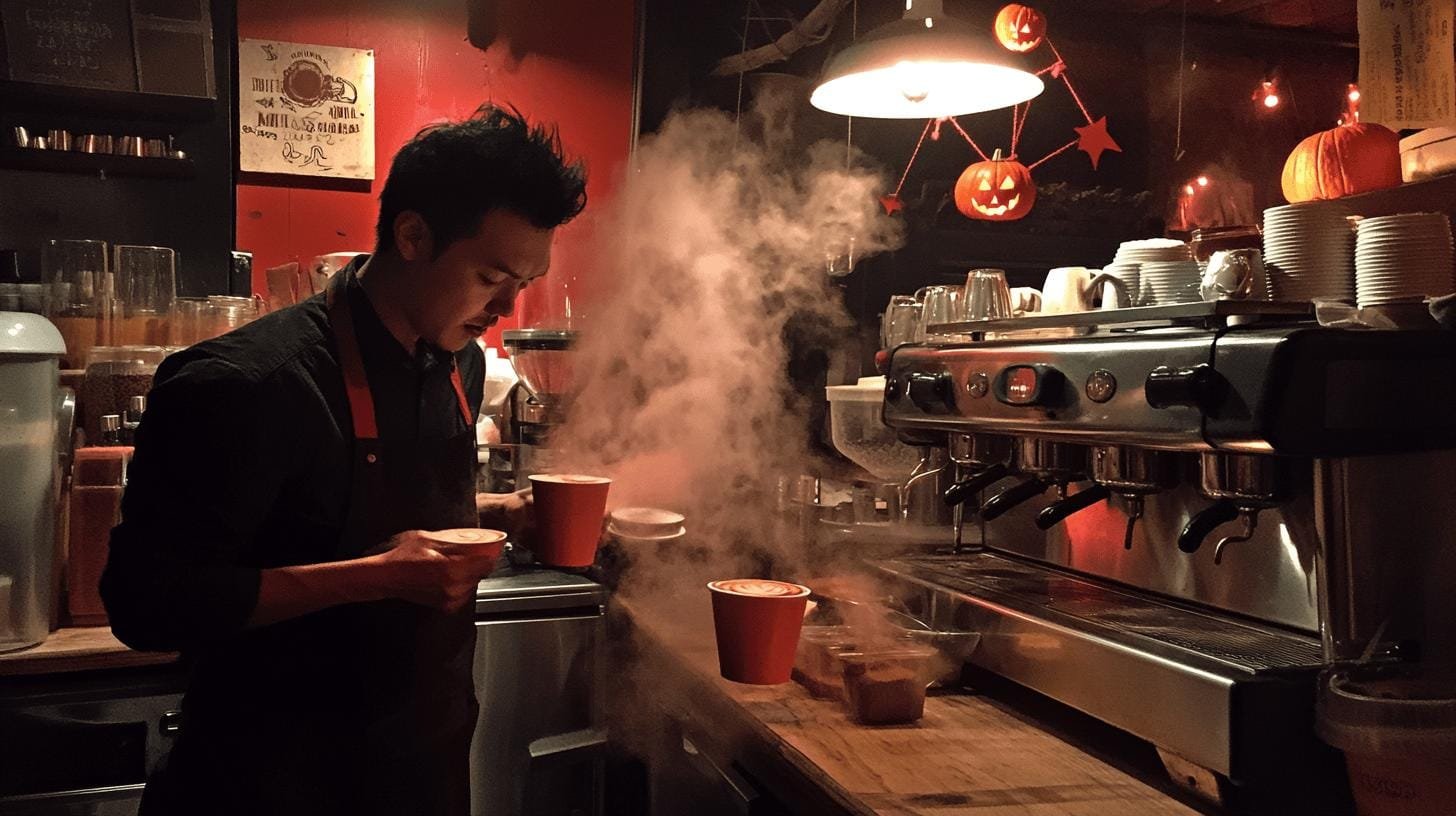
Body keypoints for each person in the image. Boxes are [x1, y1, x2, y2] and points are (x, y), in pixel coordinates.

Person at [100, 105, 587, 816]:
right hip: (272, 784)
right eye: (491, 277)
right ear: (412, 235)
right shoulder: (247, 385)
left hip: (423, 772)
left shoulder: (459, 366)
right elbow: (146, 604)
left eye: (523, 283)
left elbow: (345, 511)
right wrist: (370, 579)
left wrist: (501, 514)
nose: (508, 309)